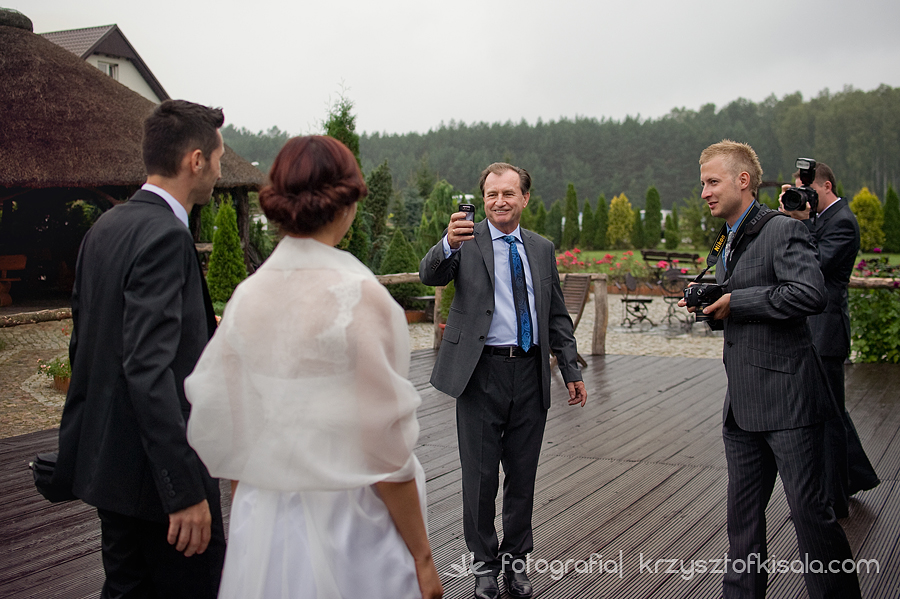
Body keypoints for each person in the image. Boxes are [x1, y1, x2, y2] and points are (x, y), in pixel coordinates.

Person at [184, 135, 443, 599]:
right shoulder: (359, 296)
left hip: (261, 517)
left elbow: (233, 427)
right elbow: (384, 449)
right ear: (347, 204)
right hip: (347, 524)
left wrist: (248, 527)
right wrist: (423, 556)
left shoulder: (247, 297)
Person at [54, 100, 227, 598]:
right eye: (217, 158)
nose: (220, 171)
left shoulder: (105, 228)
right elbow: (148, 370)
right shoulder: (167, 237)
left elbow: (87, 345)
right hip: (158, 486)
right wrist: (183, 491)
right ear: (196, 160)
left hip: (110, 471)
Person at [680, 140, 860, 598]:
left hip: (789, 402)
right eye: (702, 183)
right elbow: (747, 300)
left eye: (712, 182)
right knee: (741, 521)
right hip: (740, 406)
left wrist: (737, 302)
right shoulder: (727, 237)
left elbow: (809, 293)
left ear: (743, 181)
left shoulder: (783, 230)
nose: (704, 192)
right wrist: (713, 306)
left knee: (811, 517)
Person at [419, 162, 587, 599]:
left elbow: (556, 315)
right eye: (491, 195)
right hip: (479, 374)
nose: (499, 201)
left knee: (522, 476)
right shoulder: (465, 242)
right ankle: (483, 565)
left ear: (524, 198)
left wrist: (570, 369)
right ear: (483, 199)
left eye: (508, 193)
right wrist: (447, 243)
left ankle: (516, 562)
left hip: (531, 373)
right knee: (479, 478)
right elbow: (429, 274)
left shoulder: (542, 248)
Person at [780, 164, 880, 517]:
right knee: (828, 411)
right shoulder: (823, 218)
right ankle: (852, 478)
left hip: (827, 330)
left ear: (826, 185)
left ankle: (834, 500)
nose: (804, 197)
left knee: (829, 416)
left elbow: (814, 264)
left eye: (808, 190)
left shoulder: (842, 221)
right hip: (813, 328)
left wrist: (802, 221)